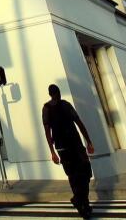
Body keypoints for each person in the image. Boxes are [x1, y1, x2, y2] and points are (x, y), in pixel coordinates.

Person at [42, 84, 95, 218]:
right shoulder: (64, 105)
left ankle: (80, 201)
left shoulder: (47, 109)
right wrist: (88, 141)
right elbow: (79, 123)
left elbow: (47, 132)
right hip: (74, 145)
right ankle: (82, 202)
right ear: (58, 93)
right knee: (84, 173)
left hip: (63, 147)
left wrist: (52, 152)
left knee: (74, 175)